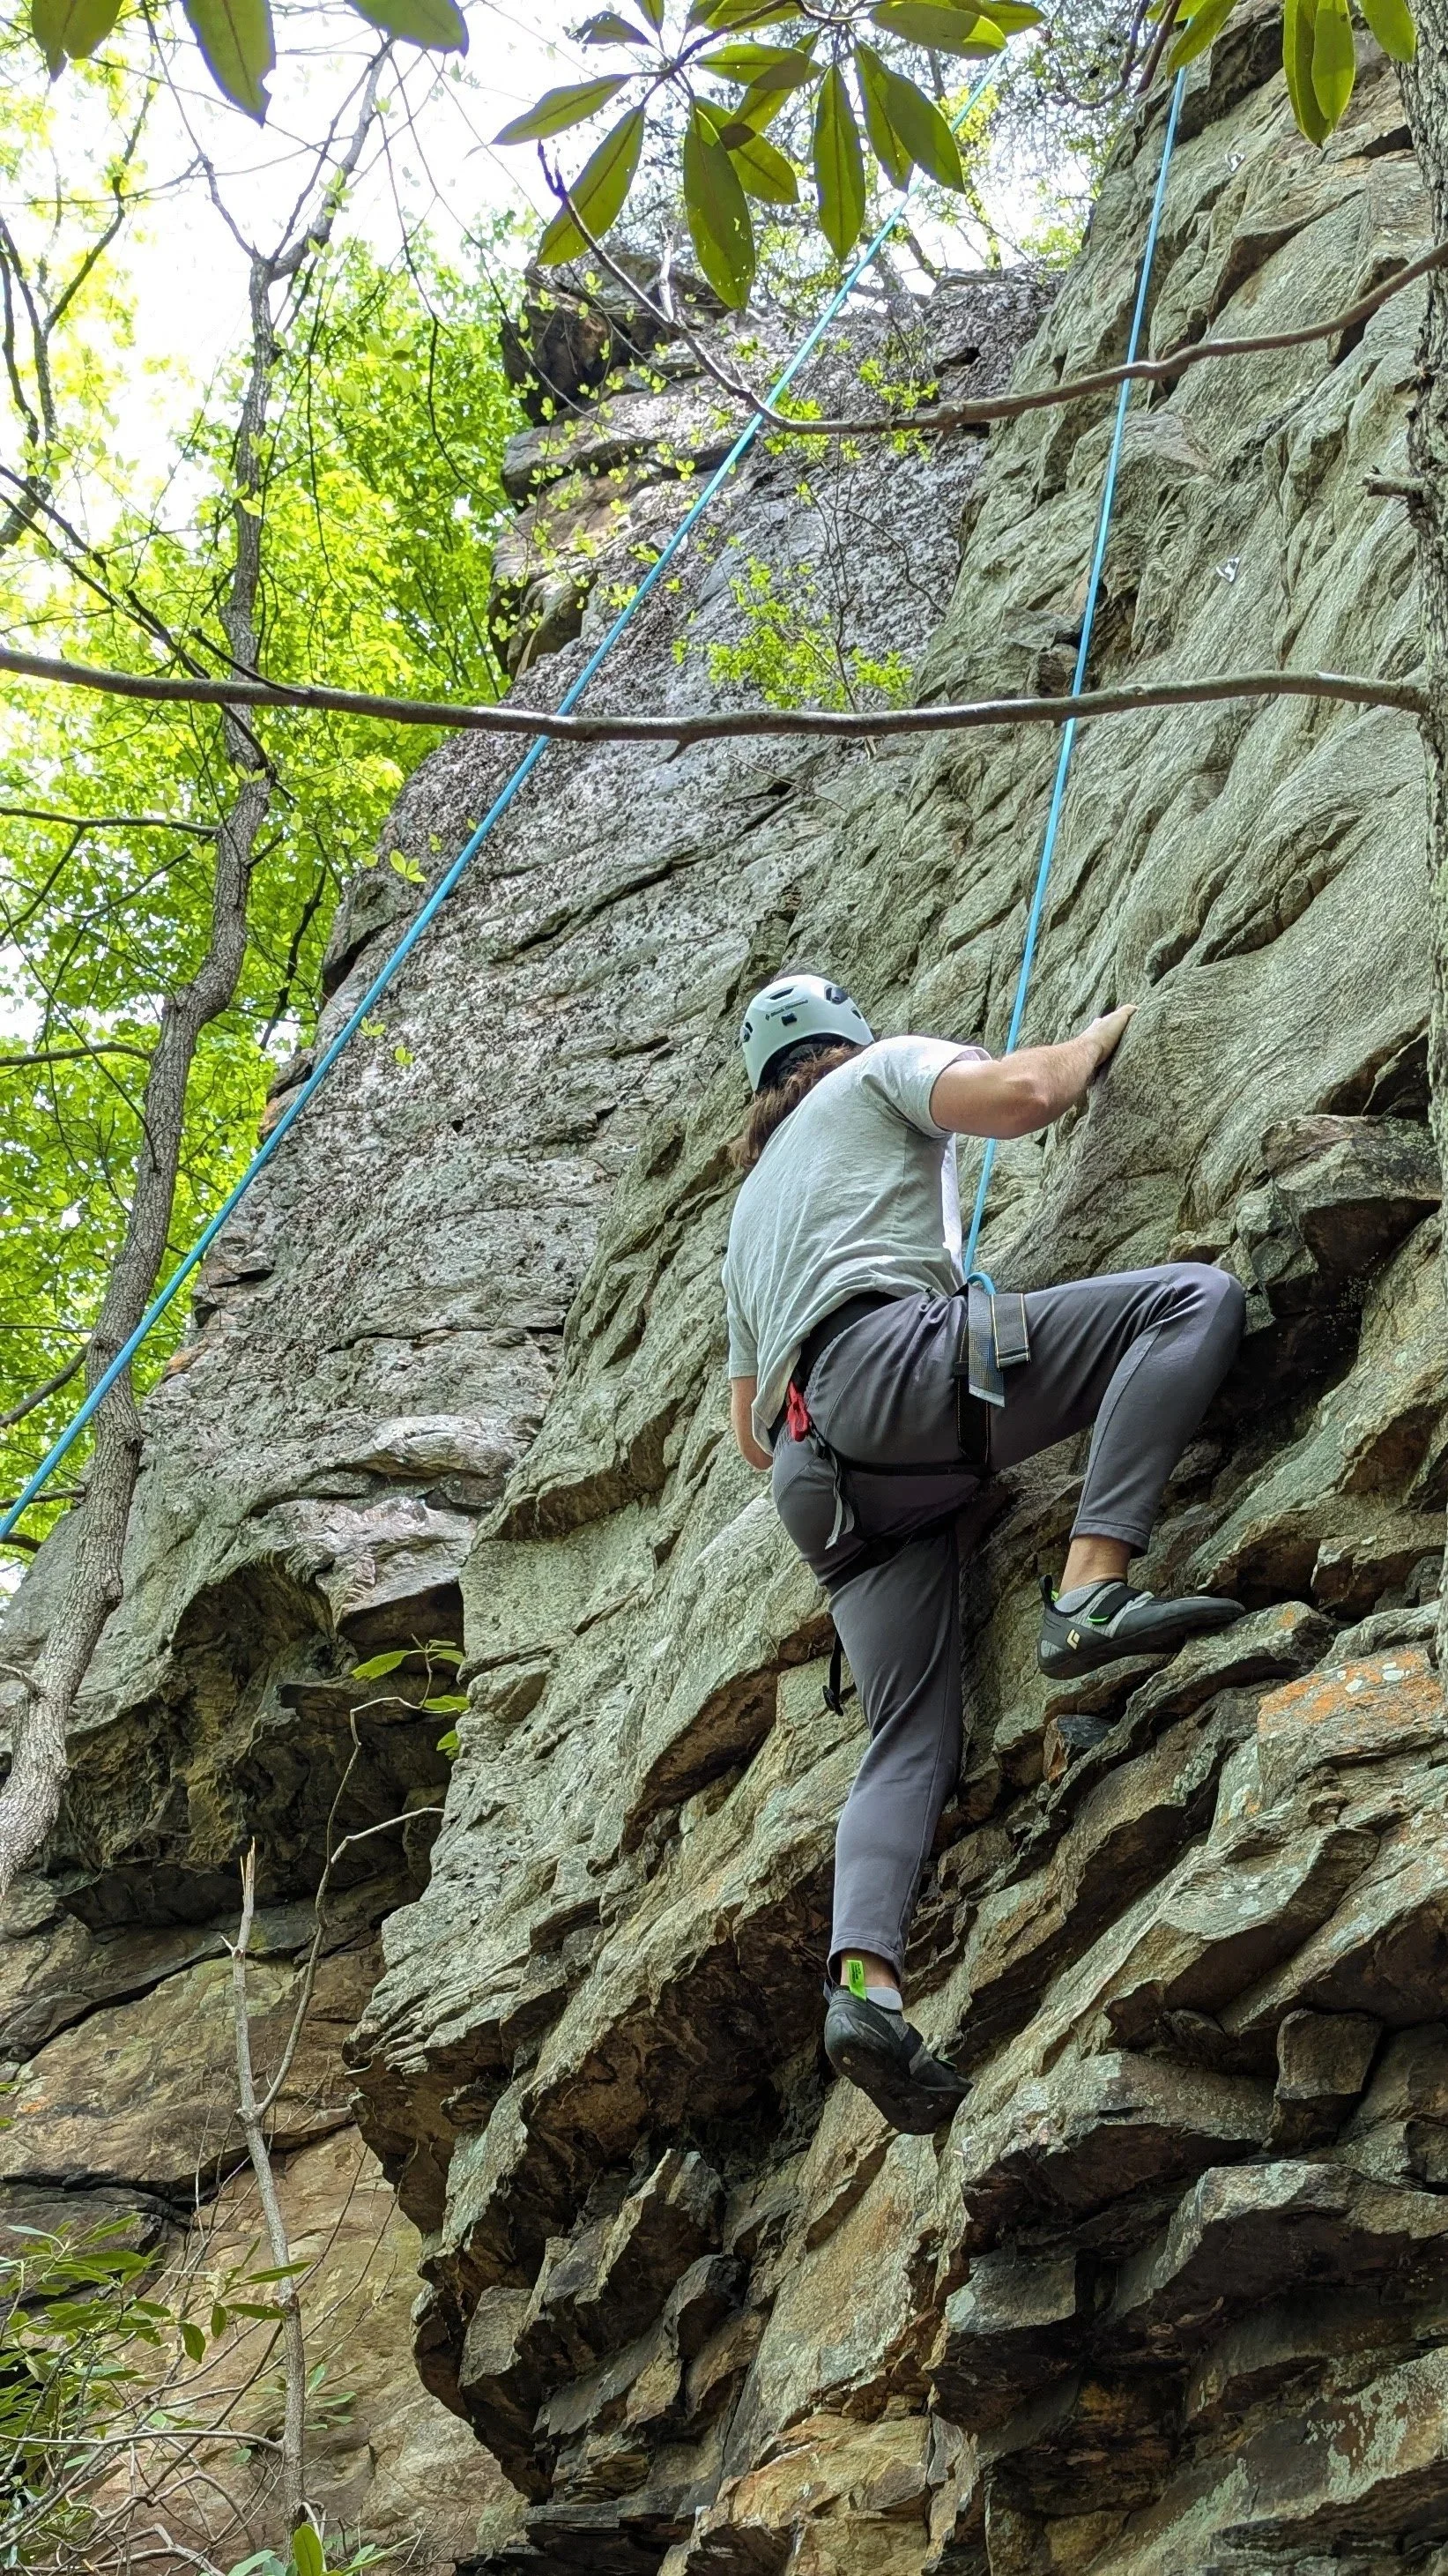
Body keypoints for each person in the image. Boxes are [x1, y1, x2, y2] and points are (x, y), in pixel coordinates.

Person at [722, 973, 1246, 2136]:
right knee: (1187, 1303)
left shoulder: (749, 1211)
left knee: (906, 1737)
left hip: (821, 1486)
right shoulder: (877, 1071)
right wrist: (1113, 1024)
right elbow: (1025, 1092)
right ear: (842, 1044)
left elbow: (746, 1431)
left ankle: (863, 1986)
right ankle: (1089, 1593)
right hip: (892, 1372)